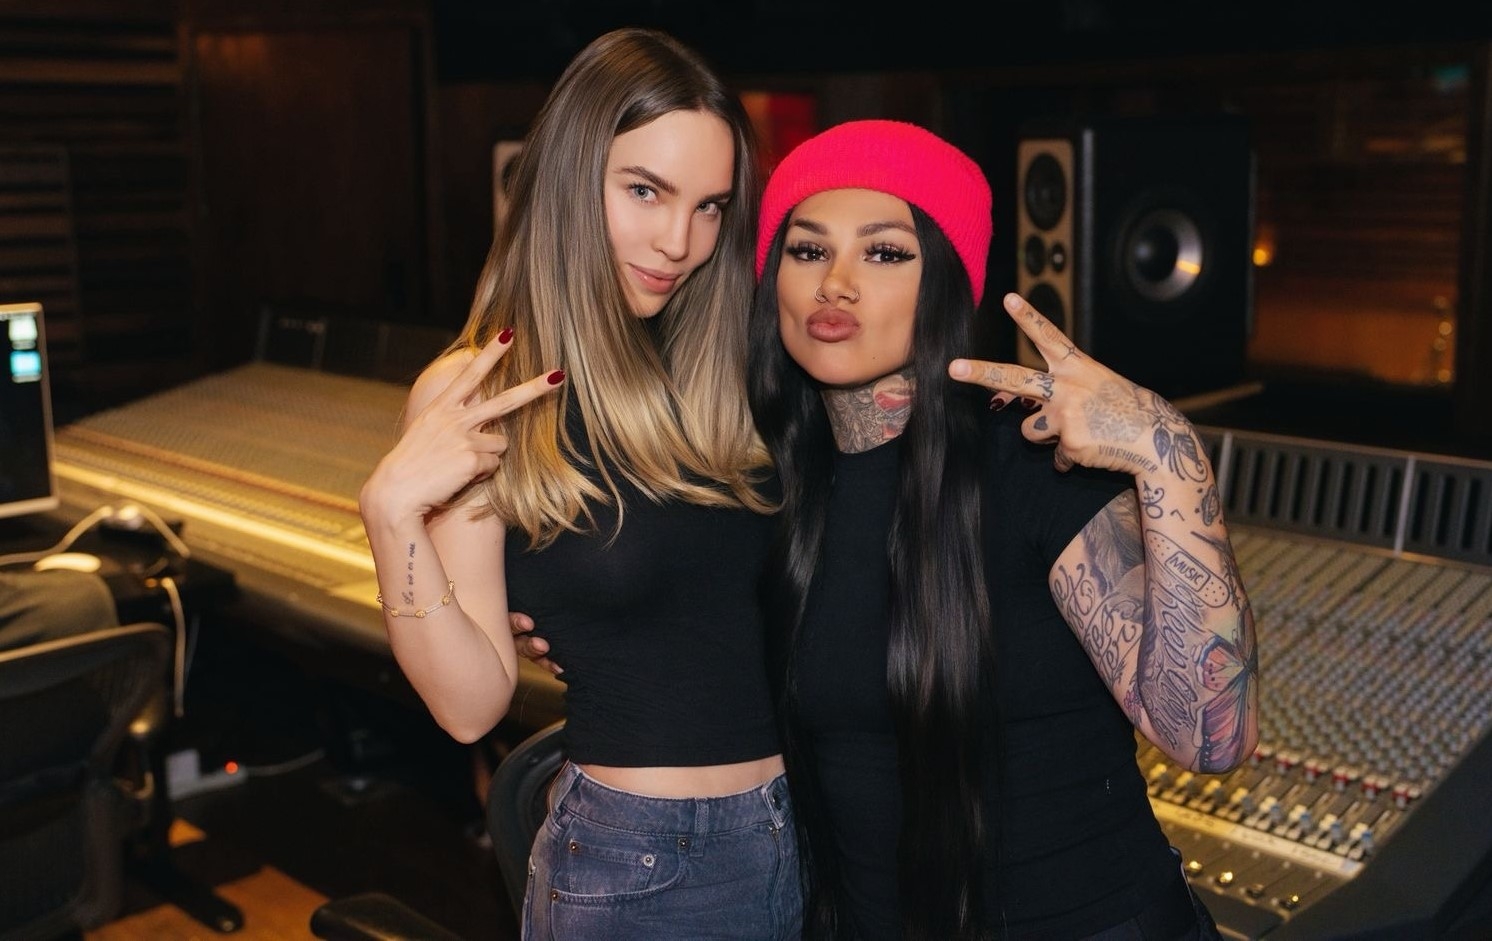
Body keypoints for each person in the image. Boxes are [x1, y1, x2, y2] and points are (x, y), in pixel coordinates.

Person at [737, 119, 1257, 940]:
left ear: (948, 280)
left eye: (884, 252)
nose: (835, 283)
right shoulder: (769, 484)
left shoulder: (1032, 464)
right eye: (807, 250)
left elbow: (1210, 734)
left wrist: (1169, 450)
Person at [357, 27, 801, 940]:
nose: (679, 241)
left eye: (711, 207)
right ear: (568, 176)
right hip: (640, 867)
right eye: (645, 191)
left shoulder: (726, 369)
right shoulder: (481, 388)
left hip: (800, 837)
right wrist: (390, 514)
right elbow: (469, 706)